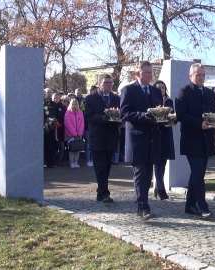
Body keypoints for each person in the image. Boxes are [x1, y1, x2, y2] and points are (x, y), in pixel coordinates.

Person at [120, 61, 163, 220]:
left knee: (148, 175)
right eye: (146, 72)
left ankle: (141, 206)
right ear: (137, 74)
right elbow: (124, 114)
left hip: (152, 138)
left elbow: (159, 110)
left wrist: (165, 117)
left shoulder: (155, 91)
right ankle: (144, 207)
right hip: (137, 139)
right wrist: (144, 116)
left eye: (151, 72)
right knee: (139, 174)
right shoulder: (129, 90)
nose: (150, 75)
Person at [175, 63, 215, 218]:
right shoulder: (183, 92)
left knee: (197, 174)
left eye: (203, 75)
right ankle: (202, 206)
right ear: (190, 76)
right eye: (198, 75)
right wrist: (199, 123)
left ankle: (190, 205)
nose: (201, 77)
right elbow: (181, 115)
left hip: (206, 140)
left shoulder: (209, 93)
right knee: (198, 172)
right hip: (191, 139)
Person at [84, 74, 121, 203]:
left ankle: (101, 193)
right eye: (106, 83)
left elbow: (120, 114)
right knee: (100, 167)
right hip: (97, 137)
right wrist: (103, 118)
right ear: (100, 84)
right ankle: (104, 193)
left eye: (110, 83)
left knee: (107, 167)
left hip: (111, 136)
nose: (108, 85)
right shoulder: (91, 99)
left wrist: (118, 119)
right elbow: (88, 116)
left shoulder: (116, 99)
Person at [152, 80, 175, 200]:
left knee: (163, 162)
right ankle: (161, 189)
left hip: (166, 133)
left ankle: (157, 186)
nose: (161, 89)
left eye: (163, 87)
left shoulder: (169, 101)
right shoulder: (152, 100)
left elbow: (172, 115)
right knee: (157, 163)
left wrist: (172, 119)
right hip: (155, 134)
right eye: (158, 87)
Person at [65, 99, 85, 168]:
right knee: (72, 149)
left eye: (75, 104)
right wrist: (74, 132)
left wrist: (79, 132)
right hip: (70, 134)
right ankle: (71, 162)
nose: (74, 105)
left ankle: (76, 161)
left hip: (78, 134)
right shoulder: (68, 113)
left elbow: (82, 123)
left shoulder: (80, 113)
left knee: (77, 148)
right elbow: (68, 124)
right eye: (73, 104)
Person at [43, 88, 58, 168]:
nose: (48, 94)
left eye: (49, 92)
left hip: (51, 128)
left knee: (51, 146)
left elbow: (56, 115)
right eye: (46, 92)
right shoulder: (41, 103)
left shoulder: (54, 104)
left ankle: (50, 163)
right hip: (43, 129)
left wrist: (54, 123)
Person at [53, 92, 66, 166]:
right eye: (54, 98)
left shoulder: (63, 107)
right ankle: (53, 159)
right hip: (52, 128)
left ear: (59, 99)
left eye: (57, 98)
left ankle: (60, 159)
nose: (55, 99)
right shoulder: (50, 105)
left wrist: (59, 123)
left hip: (60, 128)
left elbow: (65, 118)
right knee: (53, 145)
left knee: (61, 144)